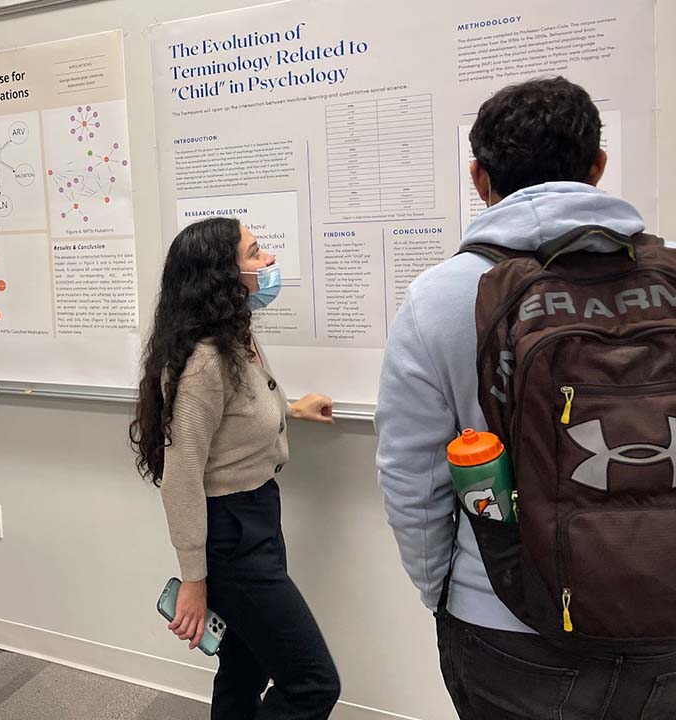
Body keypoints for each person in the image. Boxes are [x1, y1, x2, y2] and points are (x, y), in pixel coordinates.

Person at [376, 76, 676, 718]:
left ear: (479, 177)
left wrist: (449, 594)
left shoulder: (441, 296)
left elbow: (411, 480)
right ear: (598, 166)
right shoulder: (672, 273)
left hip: (508, 622)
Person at [131, 217, 341, 720]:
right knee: (313, 684)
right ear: (221, 277)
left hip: (258, 514)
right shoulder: (204, 363)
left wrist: (291, 410)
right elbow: (181, 477)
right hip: (231, 533)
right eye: (254, 253)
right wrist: (194, 580)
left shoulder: (234, 337)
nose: (268, 261)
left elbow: (240, 412)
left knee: (245, 666)